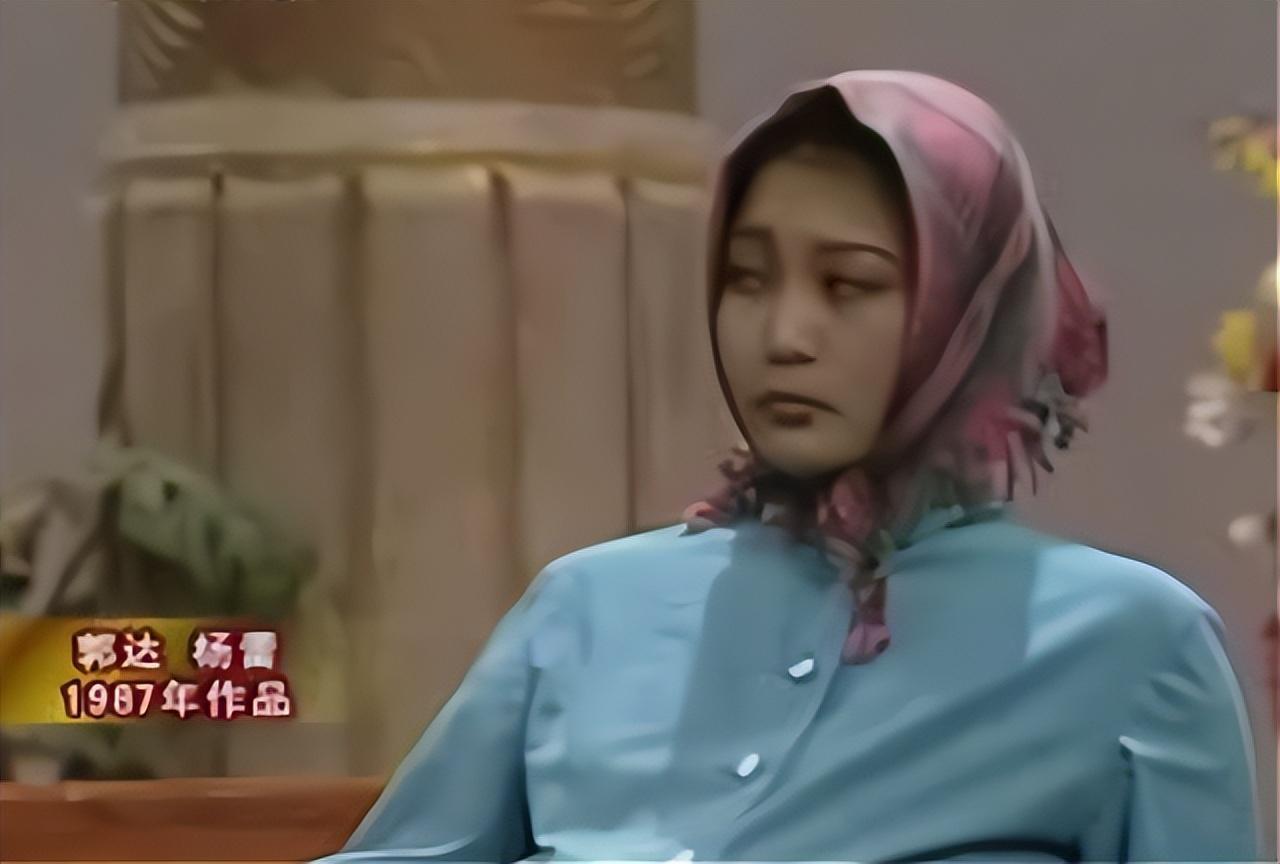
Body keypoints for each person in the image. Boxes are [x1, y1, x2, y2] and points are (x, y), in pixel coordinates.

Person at [312, 70, 1262, 863]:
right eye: (747, 279)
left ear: (968, 312)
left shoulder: (1129, 643)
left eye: (848, 284)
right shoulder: (585, 607)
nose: (783, 336)